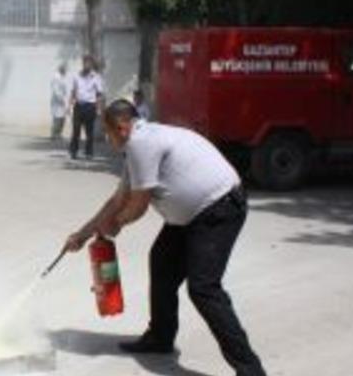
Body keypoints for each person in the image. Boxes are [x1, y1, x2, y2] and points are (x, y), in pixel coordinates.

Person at [62, 100, 267, 376]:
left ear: (121, 128)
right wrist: (82, 235)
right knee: (162, 264)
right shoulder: (137, 145)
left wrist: (117, 223)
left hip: (218, 208)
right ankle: (160, 337)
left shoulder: (141, 143)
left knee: (204, 288)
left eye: (108, 133)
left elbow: (138, 205)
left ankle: (251, 370)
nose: (107, 139)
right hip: (192, 215)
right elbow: (117, 200)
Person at [68, 55, 105, 160]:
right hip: (79, 106)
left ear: (92, 64)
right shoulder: (77, 76)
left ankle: (89, 152)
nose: (87, 65)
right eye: (85, 62)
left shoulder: (96, 77)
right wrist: (69, 105)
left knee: (89, 131)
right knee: (76, 130)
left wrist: (99, 108)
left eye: (89, 63)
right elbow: (73, 91)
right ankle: (74, 151)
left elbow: (99, 94)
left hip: (90, 106)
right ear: (83, 63)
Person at [50, 63, 70, 141]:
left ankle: (59, 133)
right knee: (57, 118)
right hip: (57, 101)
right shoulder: (56, 77)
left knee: (62, 118)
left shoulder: (62, 77)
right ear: (61, 69)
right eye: (65, 69)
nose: (66, 71)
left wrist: (65, 100)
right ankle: (54, 134)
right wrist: (61, 99)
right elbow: (55, 90)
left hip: (62, 100)